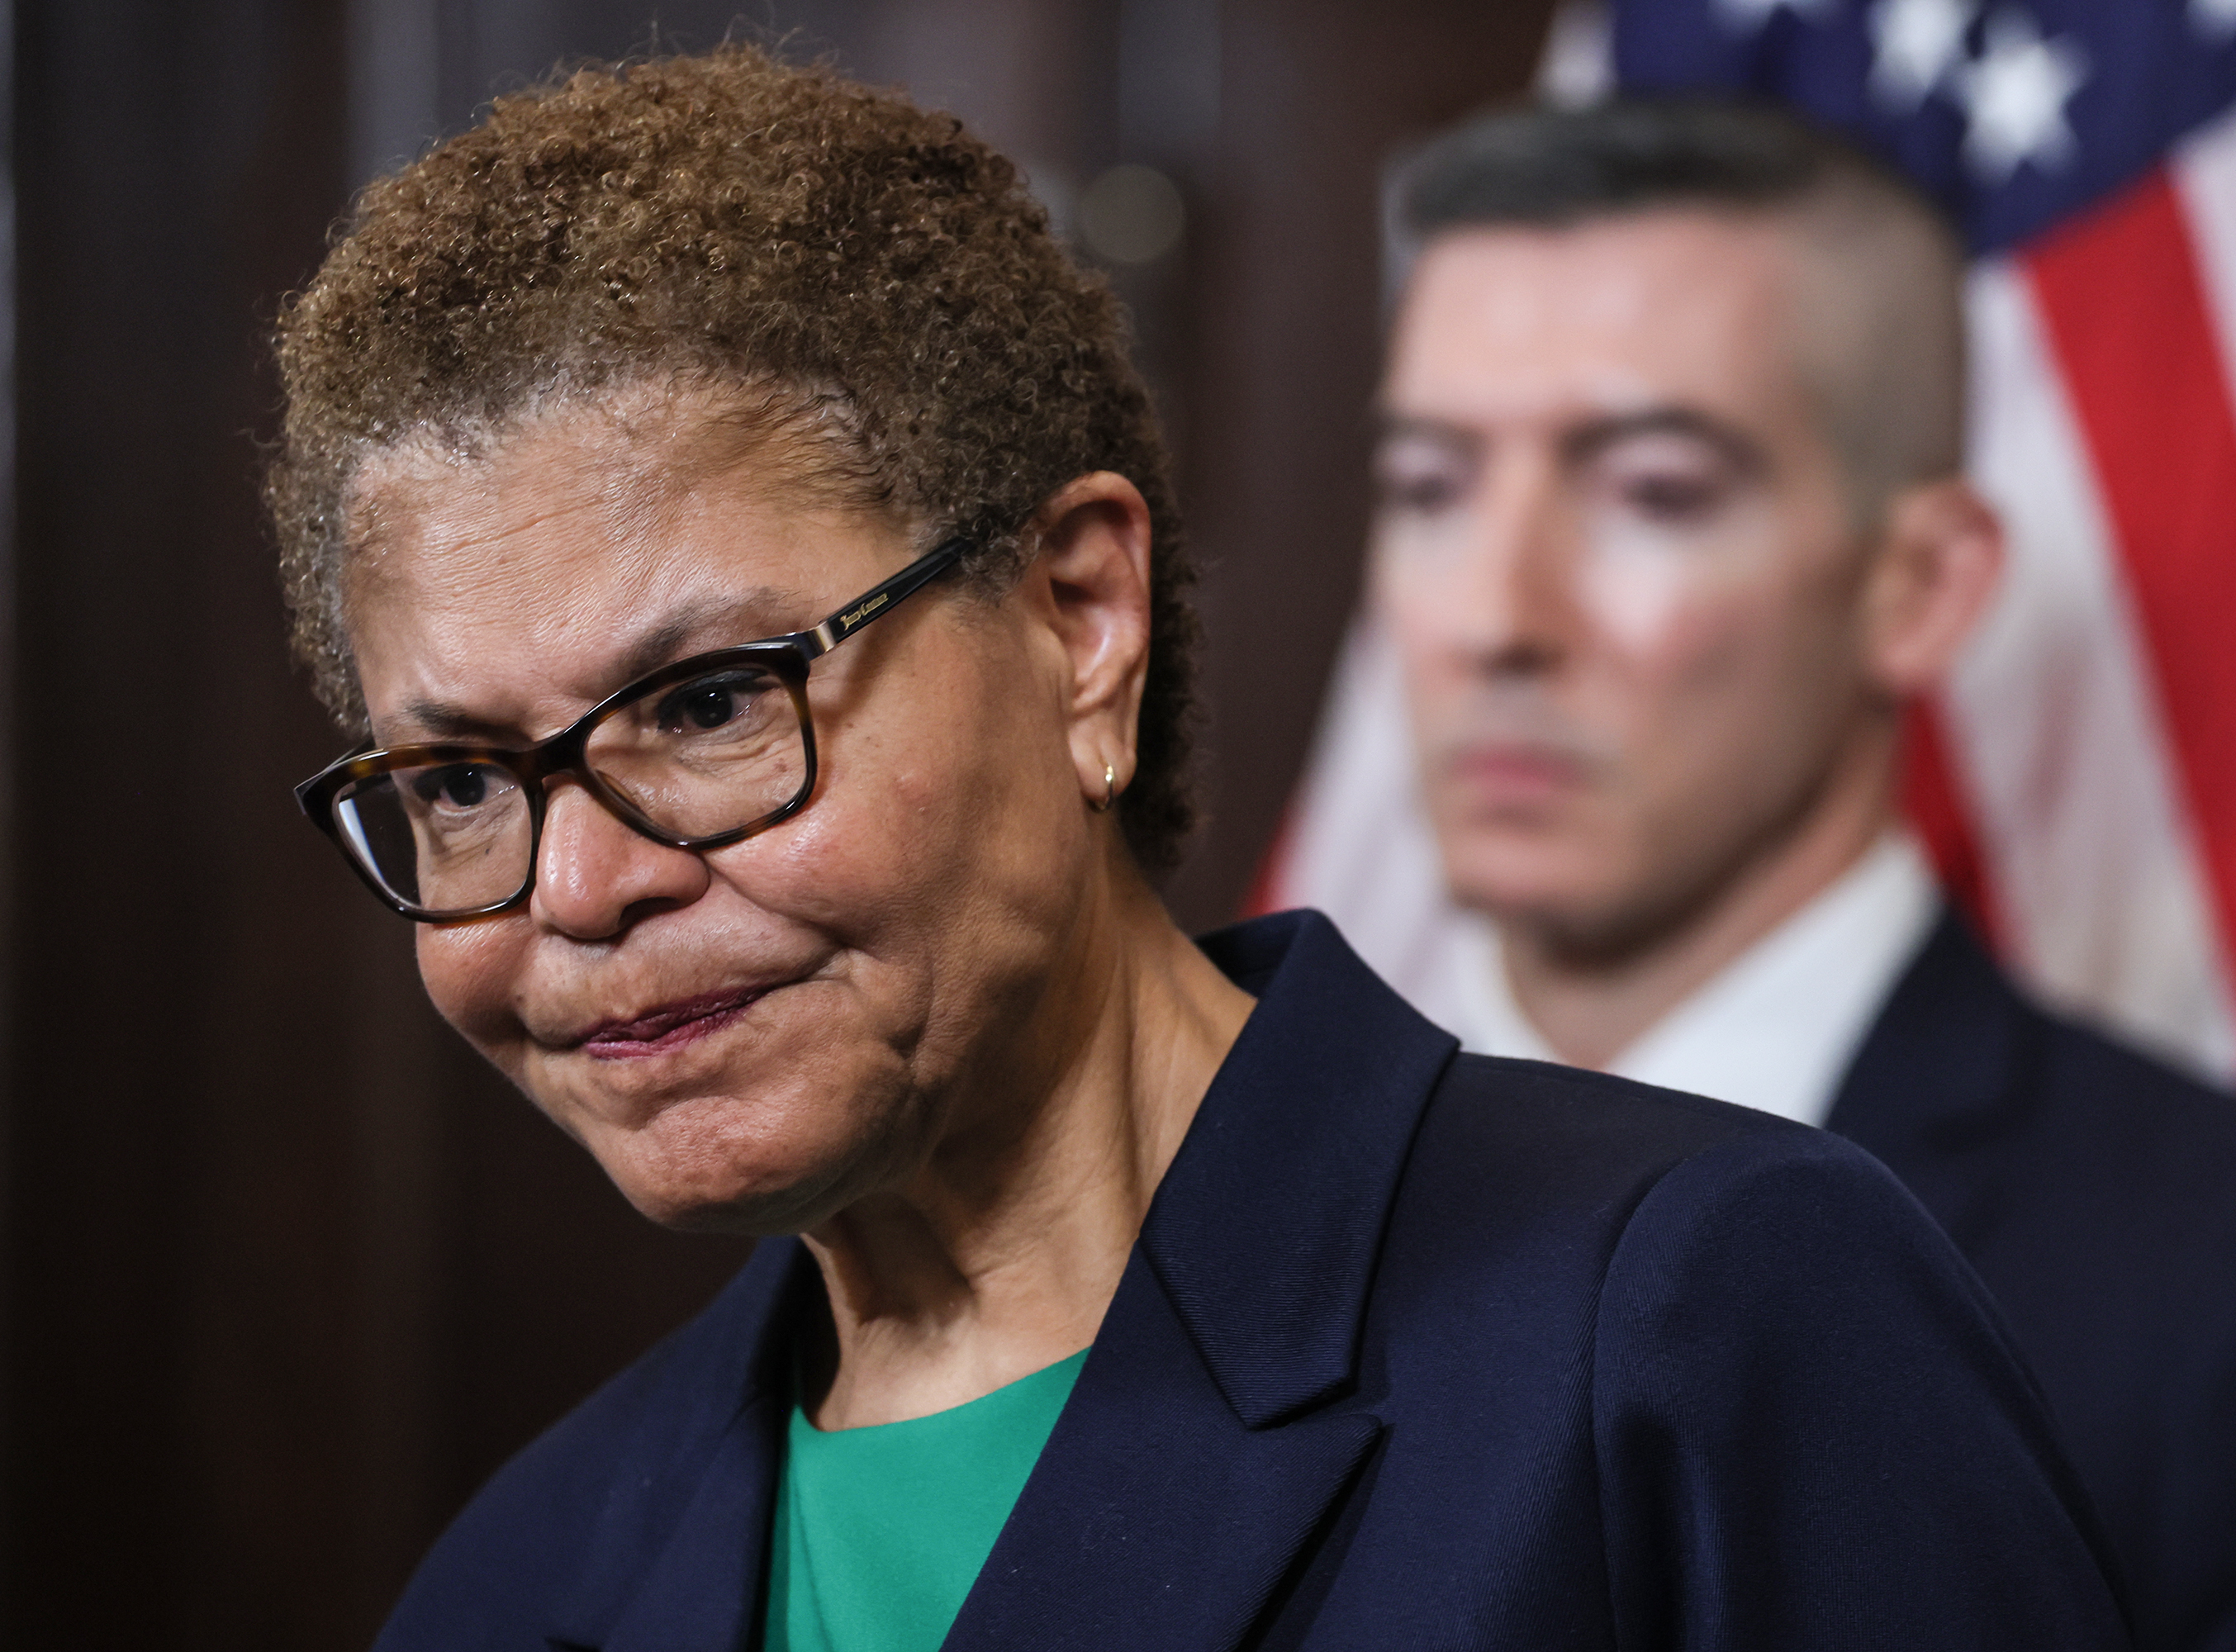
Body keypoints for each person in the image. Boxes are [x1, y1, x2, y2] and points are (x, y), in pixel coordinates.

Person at [272, 49, 2129, 1652]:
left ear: (1083, 619)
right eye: (459, 784)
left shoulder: (1697, 1326)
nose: (582, 892)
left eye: (705, 705)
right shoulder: (514, 1581)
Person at [1363, 96, 2236, 1652]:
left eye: (1654, 492)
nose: (1495, 614)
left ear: (1923, 588)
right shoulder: (1213, 1210)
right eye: (1430, 487)